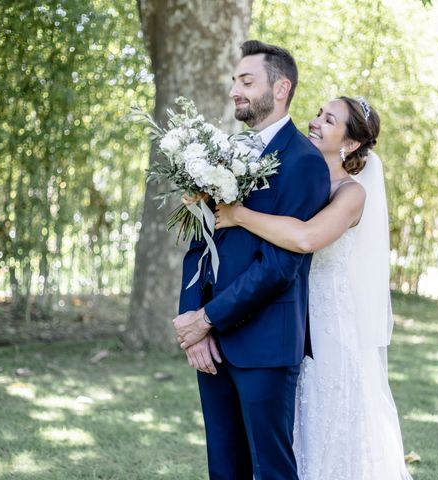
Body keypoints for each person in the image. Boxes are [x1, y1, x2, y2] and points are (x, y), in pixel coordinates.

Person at [215, 96, 413, 479]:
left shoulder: (351, 193)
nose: (315, 121)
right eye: (319, 114)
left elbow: (306, 239)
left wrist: (238, 215)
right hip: (283, 313)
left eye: (329, 120)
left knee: (323, 421)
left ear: (351, 143)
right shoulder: (292, 174)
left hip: (327, 325)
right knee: (281, 431)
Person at [171, 40, 330, 478]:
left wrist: (208, 318)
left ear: (281, 88)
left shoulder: (303, 162)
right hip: (211, 342)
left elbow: (279, 267)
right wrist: (193, 326)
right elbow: (198, 244)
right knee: (224, 468)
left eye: (246, 81)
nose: (234, 91)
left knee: (272, 469)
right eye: (234, 81)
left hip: (265, 343)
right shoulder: (223, 155)